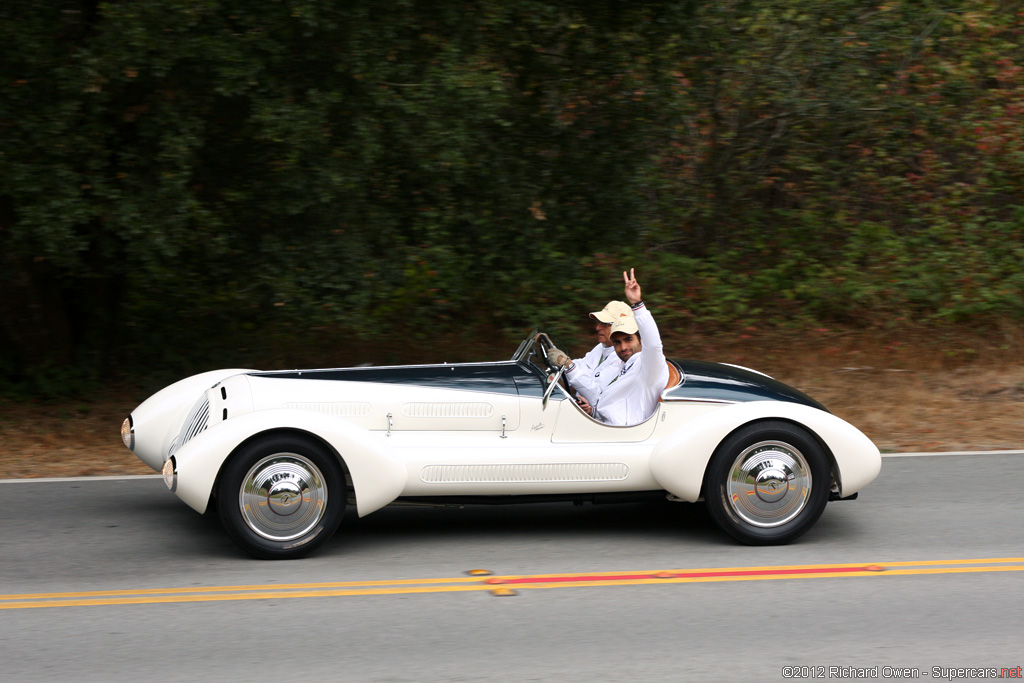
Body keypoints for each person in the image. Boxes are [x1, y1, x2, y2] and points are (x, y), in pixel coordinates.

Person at [551, 269, 668, 426]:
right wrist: (593, 412)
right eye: (617, 342)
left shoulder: (648, 366)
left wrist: (637, 304)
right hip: (604, 426)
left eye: (628, 339)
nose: (623, 347)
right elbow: (607, 402)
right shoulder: (624, 365)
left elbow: (653, 346)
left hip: (627, 437)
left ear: (640, 340)